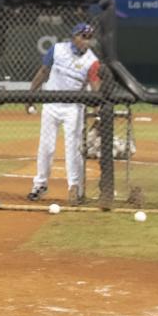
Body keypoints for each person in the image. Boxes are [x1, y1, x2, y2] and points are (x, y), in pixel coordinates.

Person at [27, 21, 99, 203]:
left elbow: (95, 86)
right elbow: (43, 71)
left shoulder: (92, 61)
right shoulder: (57, 49)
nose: (86, 41)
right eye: (83, 37)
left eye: (89, 38)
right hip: (51, 105)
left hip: (73, 109)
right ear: (74, 37)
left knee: (73, 149)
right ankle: (40, 185)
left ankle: (75, 188)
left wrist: (98, 112)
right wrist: (31, 94)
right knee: (46, 147)